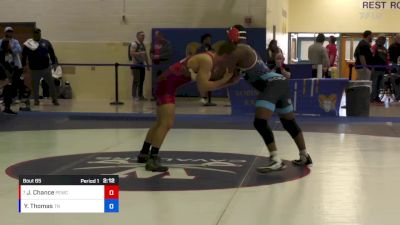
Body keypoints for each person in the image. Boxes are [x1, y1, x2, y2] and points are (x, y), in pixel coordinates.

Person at [227, 25, 312, 172]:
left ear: (233, 36)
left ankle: (275, 159)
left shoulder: (240, 50)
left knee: (260, 122)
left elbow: (227, 73)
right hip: (280, 83)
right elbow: (234, 78)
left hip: (272, 84)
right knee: (288, 122)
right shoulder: (245, 51)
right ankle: (305, 155)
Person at [136, 50, 236, 172]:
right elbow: (203, 87)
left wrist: (224, 82)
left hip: (165, 85)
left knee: (160, 123)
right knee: (166, 124)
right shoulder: (207, 61)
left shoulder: (209, 57)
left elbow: (207, 84)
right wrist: (224, 81)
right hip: (166, 88)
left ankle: (144, 153)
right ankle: (153, 159)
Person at [21, 28, 59, 106]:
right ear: (33, 34)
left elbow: (52, 53)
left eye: (38, 33)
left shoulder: (46, 42)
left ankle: (54, 99)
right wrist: (24, 65)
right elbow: (24, 55)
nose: (36, 34)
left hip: (46, 68)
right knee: (35, 86)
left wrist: (54, 63)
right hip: (34, 69)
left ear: (40, 33)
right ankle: (36, 100)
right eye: (35, 33)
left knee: (51, 84)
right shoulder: (29, 44)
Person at [196, 33, 216, 106]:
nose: (209, 41)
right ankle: (203, 98)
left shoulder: (212, 49)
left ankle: (209, 100)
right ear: (203, 40)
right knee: (203, 84)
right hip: (202, 69)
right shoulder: (199, 49)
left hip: (210, 69)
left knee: (210, 84)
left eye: (210, 40)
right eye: (207, 40)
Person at [130, 31, 150, 101]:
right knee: (136, 80)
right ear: (137, 36)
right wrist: (139, 53)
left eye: (144, 36)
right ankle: (134, 96)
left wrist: (147, 65)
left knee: (142, 80)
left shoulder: (143, 45)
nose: (143, 37)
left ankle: (140, 96)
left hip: (142, 65)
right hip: (135, 65)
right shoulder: (134, 44)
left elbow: (145, 55)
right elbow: (131, 53)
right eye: (142, 35)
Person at [370, 35, 388, 103]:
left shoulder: (384, 49)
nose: (383, 41)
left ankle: (377, 97)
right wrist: (372, 68)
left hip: (382, 69)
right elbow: (371, 58)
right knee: (374, 84)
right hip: (375, 69)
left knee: (379, 84)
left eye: (384, 40)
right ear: (378, 40)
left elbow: (386, 59)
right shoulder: (374, 47)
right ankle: (372, 98)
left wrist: (387, 68)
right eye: (382, 40)